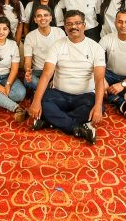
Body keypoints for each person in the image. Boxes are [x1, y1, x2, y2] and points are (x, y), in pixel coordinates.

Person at [28, 10, 106, 144]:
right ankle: (77, 127)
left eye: (77, 23)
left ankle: (51, 121)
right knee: (40, 100)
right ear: (65, 26)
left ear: (84, 25)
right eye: (69, 24)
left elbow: (99, 79)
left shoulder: (95, 48)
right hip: (59, 94)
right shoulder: (57, 45)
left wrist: (98, 106)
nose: (73, 27)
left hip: (84, 96)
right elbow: (46, 75)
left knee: (98, 106)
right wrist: (36, 102)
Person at [23, 5, 67, 91]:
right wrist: (28, 71)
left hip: (56, 70)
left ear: (50, 18)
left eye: (46, 15)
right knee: (28, 80)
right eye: (39, 16)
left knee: (68, 79)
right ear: (35, 19)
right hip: (38, 71)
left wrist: (56, 77)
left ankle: (42, 91)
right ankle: (51, 91)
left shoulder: (59, 32)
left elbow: (64, 57)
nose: (43, 18)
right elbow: (27, 61)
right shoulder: (30, 36)